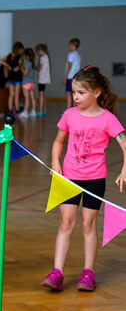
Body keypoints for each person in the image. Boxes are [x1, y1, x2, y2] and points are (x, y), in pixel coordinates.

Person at [41, 66, 126, 292]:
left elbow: (124, 143)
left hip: (94, 180)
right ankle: (57, 271)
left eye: (81, 93)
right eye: (74, 92)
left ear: (96, 92)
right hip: (68, 177)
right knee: (65, 223)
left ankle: (88, 273)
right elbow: (59, 141)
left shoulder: (108, 119)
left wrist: (124, 170)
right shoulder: (69, 115)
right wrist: (56, 162)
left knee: (88, 225)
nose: (76, 97)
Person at [0, 42, 24, 116]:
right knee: (16, 94)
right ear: (19, 49)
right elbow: (20, 65)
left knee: (11, 94)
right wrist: (18, 67)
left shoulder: (9, 56)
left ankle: (10, 110)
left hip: (11, 78)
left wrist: (7, 65)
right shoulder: (19, 57)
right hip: (17, 78)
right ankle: (17, 110)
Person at [63, 38, 82, 108]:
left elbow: (69, 67)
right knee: (75, 95)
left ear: (73, 45)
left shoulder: (71, 55)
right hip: (76, 78)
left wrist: (65, 77)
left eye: (69, 45)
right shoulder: (79, 55)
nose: (69, 47)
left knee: (68, 94)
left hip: (70, 77)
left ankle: (68, 111)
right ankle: (75, 111)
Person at [19, 48, 37, 119]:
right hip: (32, 83)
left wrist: (21, 68)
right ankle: (33, 111)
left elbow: (25, 73)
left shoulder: (27, 64)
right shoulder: (33, 63)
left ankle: (25, 111)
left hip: (26, 83)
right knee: (32, 98)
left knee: (26, 98)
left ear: (26, 56)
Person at [35, 43, 51, 116]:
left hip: (42, 79)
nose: (37, 53)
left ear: (40, 50)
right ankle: (44, 110)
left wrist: (35, 66)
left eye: (37, 52)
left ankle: (41, 111)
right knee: (43, 94)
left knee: (41, 94)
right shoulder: (47, 56)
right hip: (45, 78)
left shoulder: (42, 58)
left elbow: (39, 68)